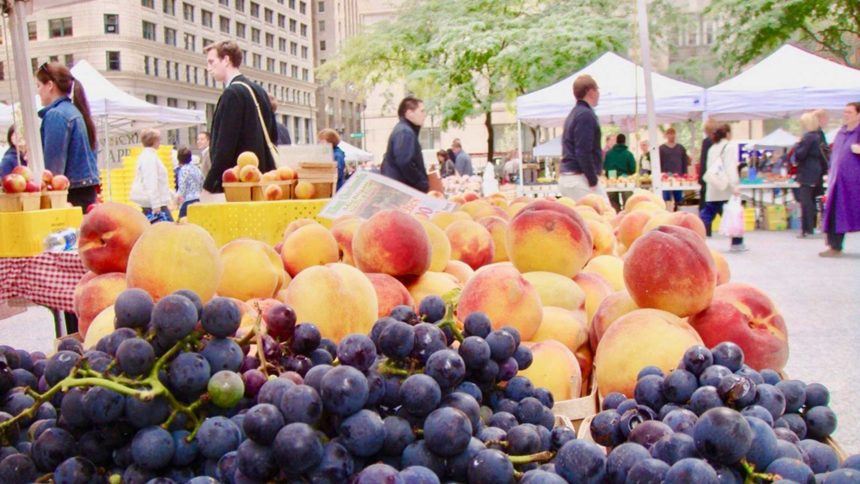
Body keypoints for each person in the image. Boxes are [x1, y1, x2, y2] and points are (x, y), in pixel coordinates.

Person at [202, 41, 278, 194]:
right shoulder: (259, 91)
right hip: (264, 181)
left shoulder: (232, 94)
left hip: (239, 185)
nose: (208, 68)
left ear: (226, 60)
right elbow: (273, 134)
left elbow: (224, 147)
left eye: (212, 62)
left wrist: (208, 186)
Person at [35, 61, 100, 209]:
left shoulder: (56, 115)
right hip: (84, 192)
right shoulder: (76, 112)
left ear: (50, 85)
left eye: (39, 85)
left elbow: (53, 171)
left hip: (68, 195)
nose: (38, 92)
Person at [820, 102, 860, 257]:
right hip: (838, 181)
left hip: (856, 182)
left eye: (849, 112)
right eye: (844, 112)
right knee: (835, 213)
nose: (845, 115)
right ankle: (834, 246)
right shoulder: (842, 132)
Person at [559, 74, 606, 201]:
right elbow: (583, 150)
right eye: (597, 90)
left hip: (570, 176)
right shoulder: (585, 115)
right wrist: (593, 180)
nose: (598, 94)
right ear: (591, 91)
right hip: (579, 177)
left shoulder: (574, 114)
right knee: (604, 214)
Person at [701, 124, 746, 251]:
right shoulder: (729, 147)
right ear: (727, 133)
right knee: (733, 214)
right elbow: (730, 168)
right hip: (726, 189)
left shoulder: (712, 148)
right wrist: (734, 185)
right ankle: (737, 243)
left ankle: (695, 235)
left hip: (714, 187)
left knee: (707, 214)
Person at [380, 96, 429, 192]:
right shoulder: (405, 132)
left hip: (398, 187)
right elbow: (404, 162)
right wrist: (422, 183)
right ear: (409, 113)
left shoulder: (404, 130)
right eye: (422, 111)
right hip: (402, 189)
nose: (425, 115)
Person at [793, 112, 826, 238]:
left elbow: (800, 154)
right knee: (812, 199)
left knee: (805, 200)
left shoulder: (807, 137)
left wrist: (797, 145)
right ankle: (811, 226)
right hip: (816, 171)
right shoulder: (818, 136)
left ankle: (806, 228)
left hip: (807, 171)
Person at [130, 129, 173, 222]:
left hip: (152, 203)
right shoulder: (149, 158)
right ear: (155, 141)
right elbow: (151, 181)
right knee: (169, 233)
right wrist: (155, 204)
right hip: (155, 205)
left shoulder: (148, 156)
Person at [659, 127, 690, 211]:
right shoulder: (661, 149)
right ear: (666, 135)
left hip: (678, 178)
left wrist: (685, 175)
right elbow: (658, 163)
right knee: (665, 200)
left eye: (673, 134)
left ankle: (678, 213)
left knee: (679, 200)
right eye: (669, 134)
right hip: (665, 178)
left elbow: (684, 162)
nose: (672, 136)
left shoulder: (681, 148)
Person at [604, 133, 636, 210]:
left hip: (611, 180)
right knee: (628, 202)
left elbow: (605, 167)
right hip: (625, 181)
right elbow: (633, 169)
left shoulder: (609, 154)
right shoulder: (628, 154)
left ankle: (616, 215)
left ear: (616, 142)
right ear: (624, 142)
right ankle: (625, 216)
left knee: (613, 202)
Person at [175, 146, 203, 219]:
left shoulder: (183, 170)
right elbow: (202, 183)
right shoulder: (197, 169)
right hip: (199, 199)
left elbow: (182, 188)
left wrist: (176, 200)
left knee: (182, 223)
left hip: (188, 200)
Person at [698, 120, 718, 214]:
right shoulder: (721, 143)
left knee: (706, 209)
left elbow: (704, 161)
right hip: (719, 179)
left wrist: (701, 179)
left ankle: (706, 228)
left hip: (708, 179)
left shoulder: (707, 142)